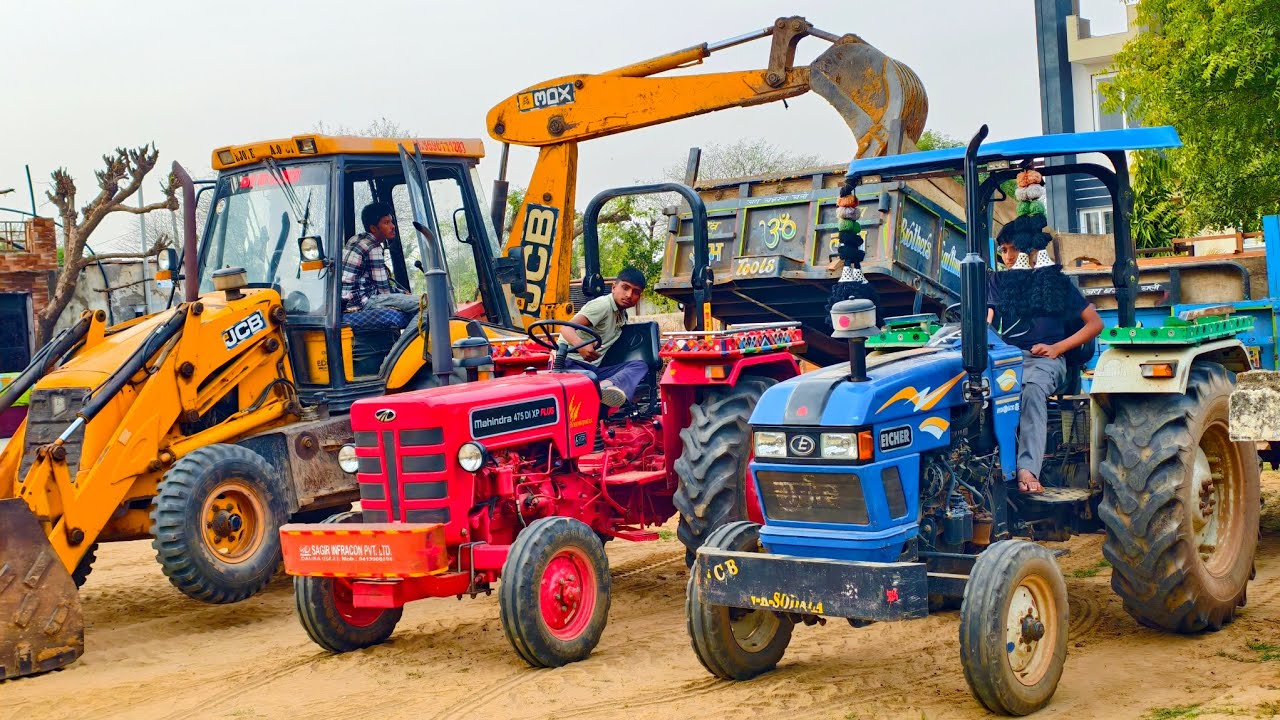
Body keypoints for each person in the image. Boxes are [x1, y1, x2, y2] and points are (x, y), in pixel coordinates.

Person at [988, 170, 1103, 494]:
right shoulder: (998, 281)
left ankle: (1027, 470)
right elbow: (986, 318)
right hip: (1005, 360)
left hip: (1045, 361)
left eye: (1013, 249)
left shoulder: (1056, 283)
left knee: (1031, 391)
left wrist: (1057, 349)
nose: (1008, 257)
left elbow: (1095, 324)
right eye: (1003, 251)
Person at [558, 266, 650, 408]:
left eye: (636, 292)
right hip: (570, 365)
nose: (629, 295)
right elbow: (565, 326)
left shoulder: (622, 315)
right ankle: (601, 390)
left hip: (592, 369)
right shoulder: (602, 306)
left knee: (639, 365)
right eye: (625, 288)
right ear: (614, 287)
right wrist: (581, 345)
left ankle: (603, 387)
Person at [340, 201, 419, 321]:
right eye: (386, 223)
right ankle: (408, 339)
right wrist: (403, 293)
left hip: (346, 301)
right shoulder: (373, 246)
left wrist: (401, 293)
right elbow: (384, 290)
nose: (393, 226)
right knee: (426, 304)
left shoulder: (355, 239)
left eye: (391, 221)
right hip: (362, 301)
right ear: (373, 228)